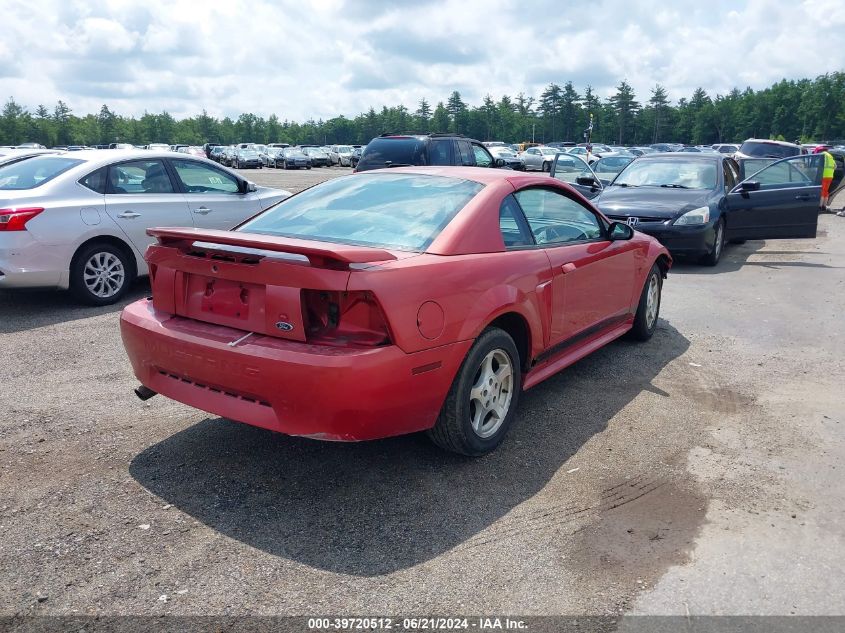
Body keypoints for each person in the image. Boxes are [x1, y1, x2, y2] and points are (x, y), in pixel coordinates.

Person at [818, 149, 835, 213]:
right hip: (830, 176)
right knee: (826, 191)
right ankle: (824, 206)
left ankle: (820, 206)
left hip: (824, 175)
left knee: (822, 190)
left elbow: (819, 165)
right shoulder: (831, 157)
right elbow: (835, 166)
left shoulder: (822, 155)